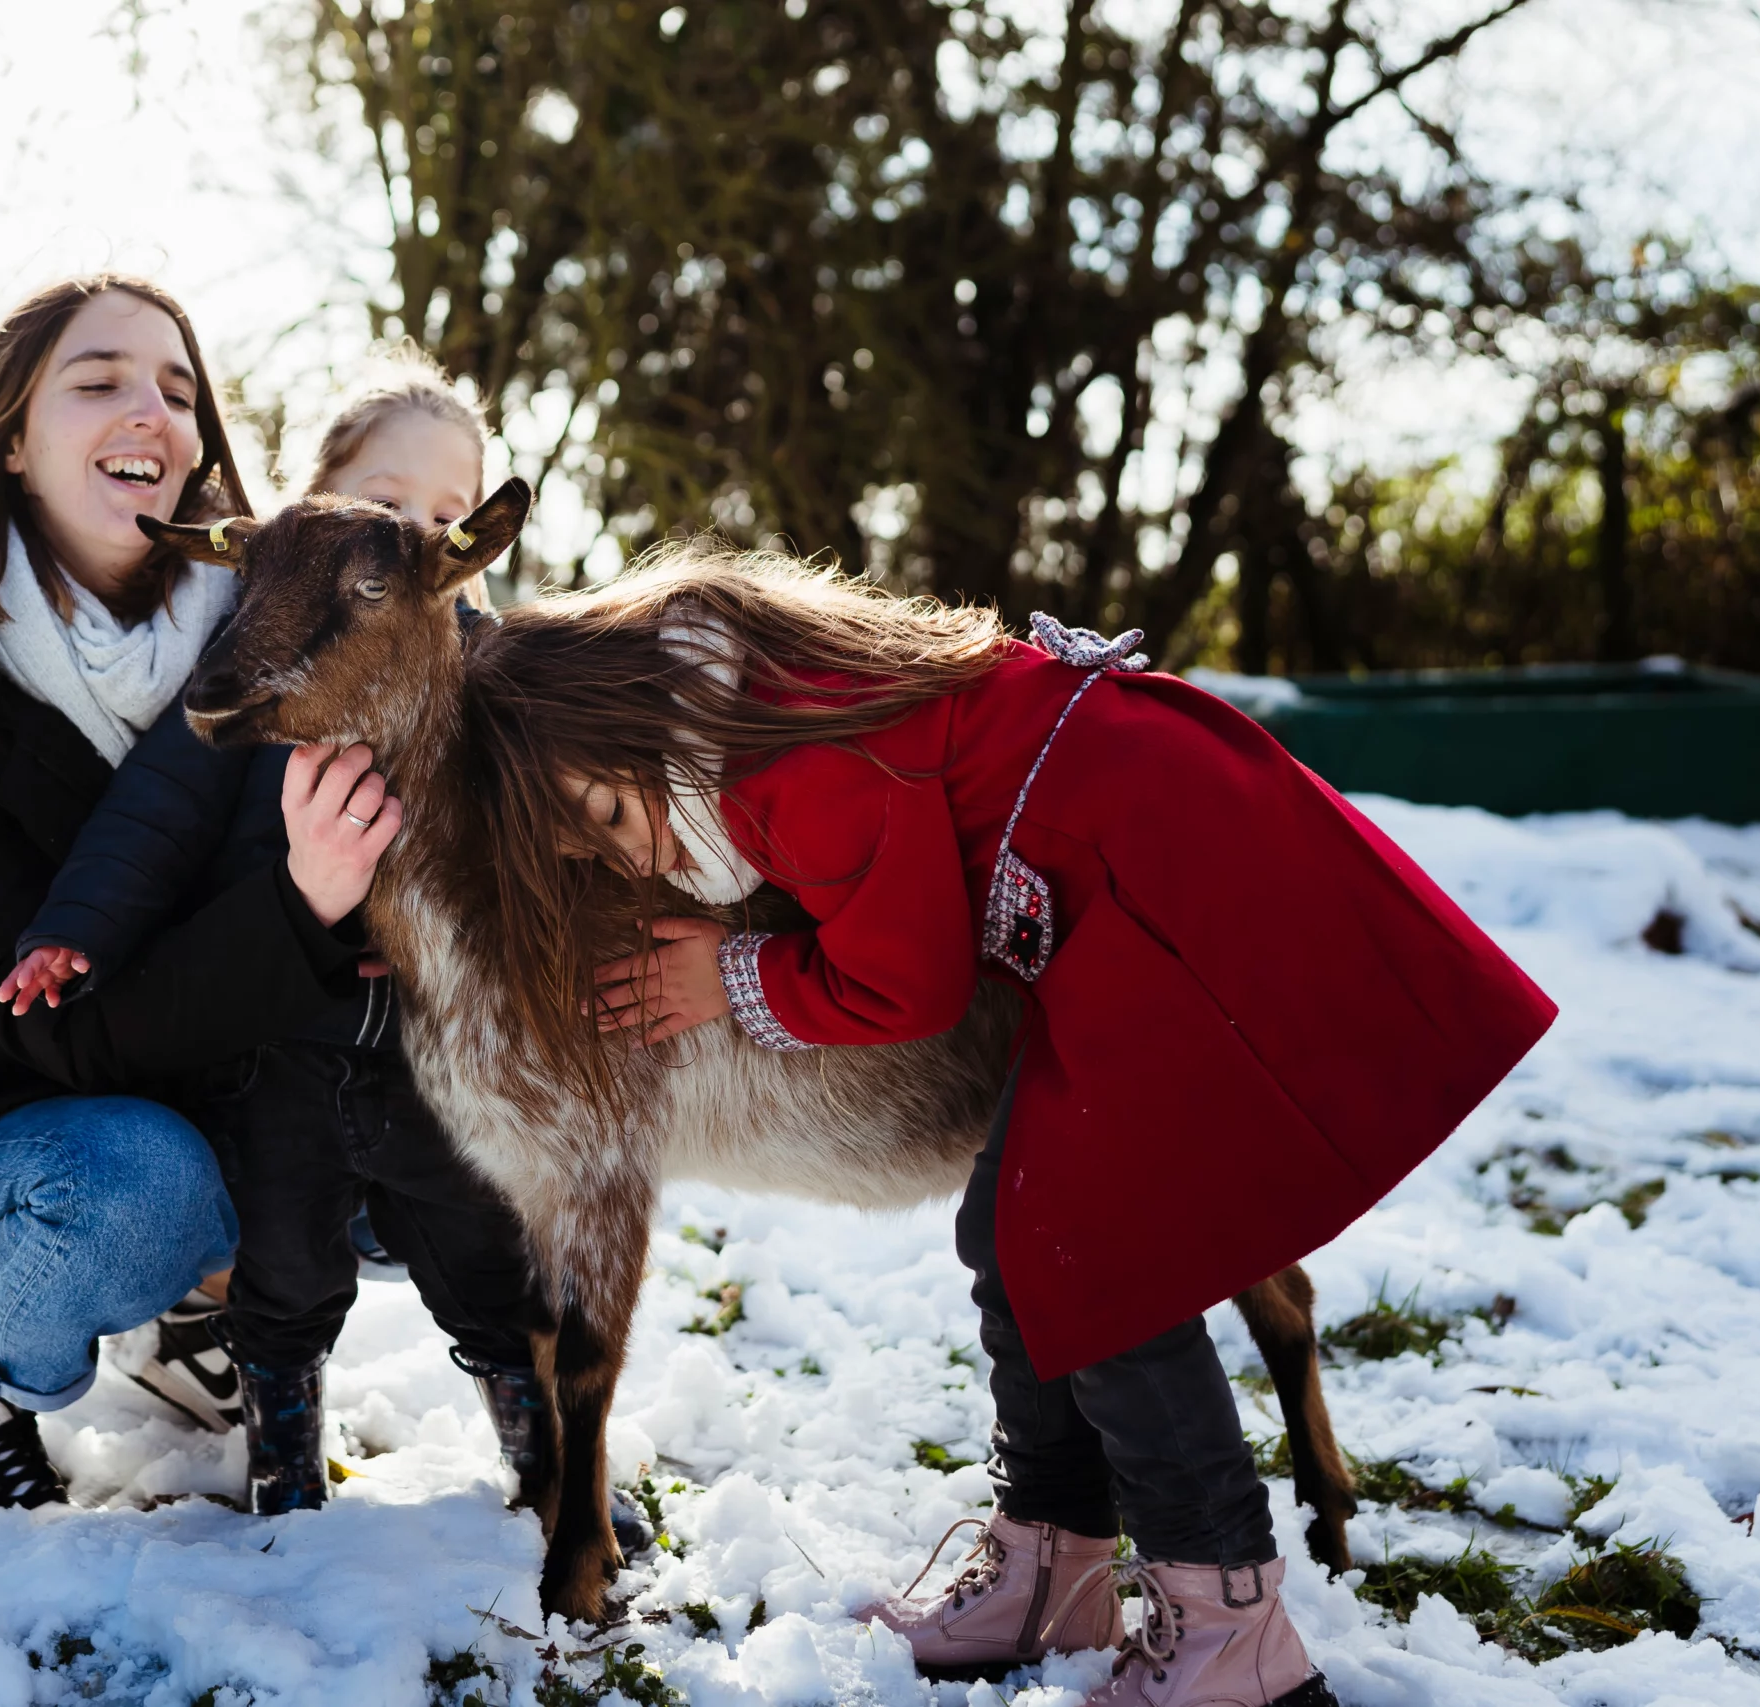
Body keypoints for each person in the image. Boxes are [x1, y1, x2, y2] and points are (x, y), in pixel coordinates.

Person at [455, 548, 1557, 1706]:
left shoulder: (789, 774)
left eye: (612, 817)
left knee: (1097, 1250)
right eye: (598, 854)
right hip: (1131, 870)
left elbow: (907, 988)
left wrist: (736, 977)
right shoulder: (761, 711)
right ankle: (1051, 1561)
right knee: (1015, 1224)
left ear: (625, 718)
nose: (634, 856)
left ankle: (1228, 1626)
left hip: (1169, 886)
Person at [0, 275, 399, 1511]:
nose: (147, 410)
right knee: (140, 1184)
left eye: (174, 387)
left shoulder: (263, 652)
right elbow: (68, 1025)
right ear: (10, 438)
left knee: (405, 1130)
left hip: (182, 1094)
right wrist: (301, 904)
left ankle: (187, 1314)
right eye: (97, 382)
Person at [0, 349, 651, 1552]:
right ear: (308, 506)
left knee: (484, 1251)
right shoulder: (248, 678)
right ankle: (283, 1450)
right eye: (384, 502)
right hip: (282, 1049)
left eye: (445, 516)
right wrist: (72, 930)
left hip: (428, 1055)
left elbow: (569, 840)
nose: (412, 534)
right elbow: (154, 815)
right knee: (284, 1265)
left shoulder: (486, 678)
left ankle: (544, 1449)